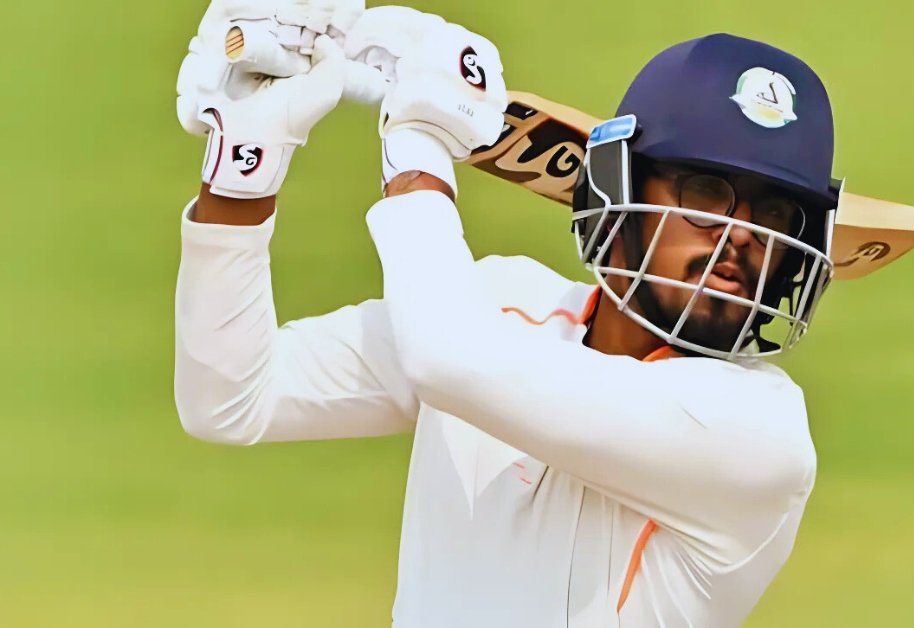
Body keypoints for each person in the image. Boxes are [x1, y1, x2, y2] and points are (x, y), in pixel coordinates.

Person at [174, 3, 841, 626]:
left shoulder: (760, 437)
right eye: (706, 192)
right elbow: (232, 398)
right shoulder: (495, 306)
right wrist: (243, 171)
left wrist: (420, 143)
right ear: (619, 186)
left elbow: (448, 358)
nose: (744, 236)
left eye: (777, 213)